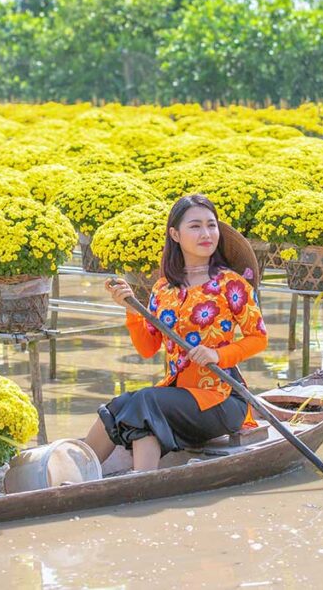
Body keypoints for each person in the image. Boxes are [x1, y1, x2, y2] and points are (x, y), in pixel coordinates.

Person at [83, 193, 268, 472]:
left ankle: (141, 481)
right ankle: (81, 474)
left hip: (221, 398)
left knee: (146, 400)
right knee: (120, 405)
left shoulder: (232, 284)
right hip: (176, 396)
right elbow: (147, 348)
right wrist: (132, 310)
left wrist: (217, 355)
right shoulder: (163, 289)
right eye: (195, 226)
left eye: (211, 225)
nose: (206, 233)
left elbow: (258, 338)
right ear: (175, 234)